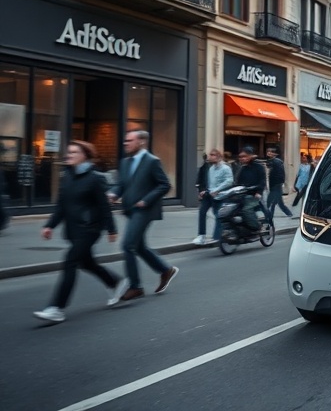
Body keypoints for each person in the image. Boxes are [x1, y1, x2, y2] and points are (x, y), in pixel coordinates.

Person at [33, 141, 129, 323]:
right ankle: (116, 282)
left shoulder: (95, 178)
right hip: (73, 229)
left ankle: (56, 308)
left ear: (84, 155)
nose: (69, 155)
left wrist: (111, 229)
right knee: (86, 263)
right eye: (68, 152)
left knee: (70, 262)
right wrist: (49, 225)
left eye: (74, 152)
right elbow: (61, 205)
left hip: (89, 228)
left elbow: (103, 206)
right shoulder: (66, 176)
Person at [107, 130, 177, 302]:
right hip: (131, 209)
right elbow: (121, 184)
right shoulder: (125, 162)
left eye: (129, 141)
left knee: (127, 245)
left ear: (141, 142)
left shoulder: (152, 161)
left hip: (145, 210)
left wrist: (146, 200)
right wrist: (113, 194)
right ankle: (165, 270)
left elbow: (164, 185)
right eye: (125, 141)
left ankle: (135, 286)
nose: (126, 144)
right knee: (138, 247)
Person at [195, 149, 233, 246]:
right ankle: (201, 236)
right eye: (210, 155)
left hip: (221, 195)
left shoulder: (225, 168)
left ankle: (216, 237)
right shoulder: (211, 169)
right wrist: (204, 191)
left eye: (213, 155)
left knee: (218, 215)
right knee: (202, 212)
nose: (210, 157)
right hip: (210, 195)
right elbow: (210, 184)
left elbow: (229, 181)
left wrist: (217, 190)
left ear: (219, 156)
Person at [235, 147, 267, 231]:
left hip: (254, 194)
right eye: (240, 157)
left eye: (244, 156)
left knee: (246, 210)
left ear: (250, 156)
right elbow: (237, 182)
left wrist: (259, 192)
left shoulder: (259, 167)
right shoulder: (242, 168)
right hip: (243, 195)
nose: (242, 158)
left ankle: (257, 227)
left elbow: (262, 180)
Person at [265, 146, 293, 219]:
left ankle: (269, 215)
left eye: (270, 151)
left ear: (274, 154)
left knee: (270, 201)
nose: (268, 153)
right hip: (274, 184)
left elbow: (280, 173)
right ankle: (289, 213)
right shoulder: (270, 161)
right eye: (268, 151)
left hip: (276, 184)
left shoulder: (277, 162)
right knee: (279, 202)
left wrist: (279, 183)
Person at [192, 153, 212, 245]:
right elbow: (199, 182)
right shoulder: (203, 168)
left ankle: (220, 235)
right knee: (202, 212)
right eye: (207, 157)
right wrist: (201, 191)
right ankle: (201, 235)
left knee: (220, 214)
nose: (208, 159)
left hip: (217, 195)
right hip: (207, 195)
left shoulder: (221, 167)